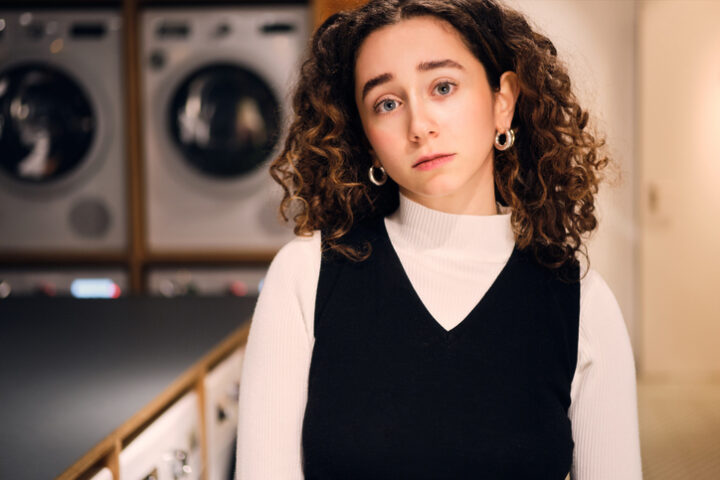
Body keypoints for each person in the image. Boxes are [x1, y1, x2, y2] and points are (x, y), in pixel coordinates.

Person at [236, 0, 642, 478]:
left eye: (443, 87)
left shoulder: (582, 303)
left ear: (502, 102)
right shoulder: (304, 277)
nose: (419, 126)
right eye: (387, 103)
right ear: (367, 136)